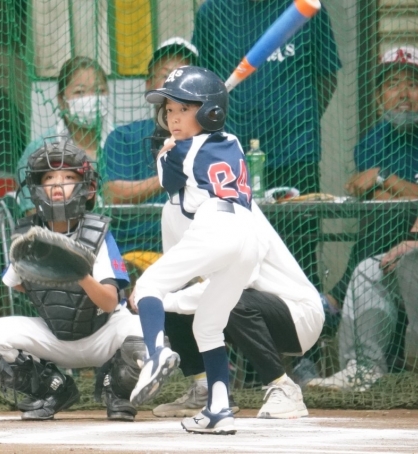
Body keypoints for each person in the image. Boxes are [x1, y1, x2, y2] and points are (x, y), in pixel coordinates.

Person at [0, 137, 145, 421]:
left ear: (86, 187)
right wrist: (51, 278)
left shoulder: (98, 233)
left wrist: (78, 274)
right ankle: (53, 388)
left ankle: (117, 391)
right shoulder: (28, 235)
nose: (58, 184)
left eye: (69, 177)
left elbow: (109, 303)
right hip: (55, 336)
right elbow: (17, 283)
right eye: (49, 178)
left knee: (146, 330)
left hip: (103, 334)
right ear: (37, 187)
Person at [129, 65, 259, 435]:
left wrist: (166, 152)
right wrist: (184, 134)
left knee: (148, 286)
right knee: (208, 326)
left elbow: (170, 185)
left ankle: (156, 355)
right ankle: (219, 409)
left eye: (184, 110)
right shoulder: (232, 142)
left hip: (215, 226)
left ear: (210, 112)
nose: (173, 118)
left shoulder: (179, 151)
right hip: (247, 237)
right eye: (169, 110)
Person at [308, 45, 418, 391]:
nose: (403, 94)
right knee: (366, 272)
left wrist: (386, 179)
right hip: (397, 241)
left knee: (410, 260)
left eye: (413, 84)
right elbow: (381, 203)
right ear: (378, 97)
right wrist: (408, 194)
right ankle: (363, 368)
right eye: (393, 84)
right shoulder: (372, 141)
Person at [192, 0, 341, 290]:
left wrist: (293, 121)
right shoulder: (214, 11)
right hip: (230, 159)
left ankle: (302, 317)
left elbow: (327, 78)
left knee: (297, 254)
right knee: (235, 255)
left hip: (295, 153)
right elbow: (203, 85)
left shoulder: (303, 7)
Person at [151, 195, 325, 419]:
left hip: (297, 315)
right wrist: (155, 298)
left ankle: (283, 387)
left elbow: (242, 280)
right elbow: (176, 277)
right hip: (238, 308)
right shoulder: (171, 208)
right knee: (170, 300)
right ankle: (207, 389)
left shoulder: (237, 202)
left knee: (228, 298)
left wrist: (167, 300)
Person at [102, 37, 198, 254]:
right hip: (136, 252)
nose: (174, 85)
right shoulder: (123, 138)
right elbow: (113, 194)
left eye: (184, 77)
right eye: (166, 76)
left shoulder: (213, 140)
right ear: (149, 86)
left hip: (195, 251)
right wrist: (169, 176)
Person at [17, 56, 112, 213]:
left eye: (99, 91)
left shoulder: (124, 143)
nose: (91, 99)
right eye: (79, 92)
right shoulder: (40, 150)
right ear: (62, 100)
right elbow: (33, 214)